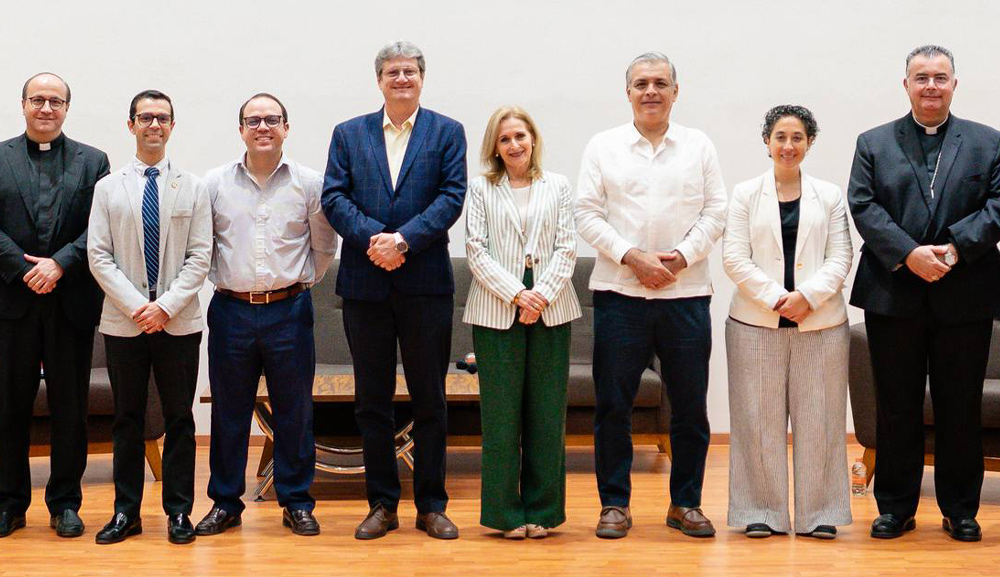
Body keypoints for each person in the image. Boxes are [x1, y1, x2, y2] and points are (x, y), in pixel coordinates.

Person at [848, 44, 1000, 542]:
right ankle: (895, 506)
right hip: (894, 292)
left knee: (960, 406)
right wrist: (910, 253)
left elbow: (997, 206)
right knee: (896, 405)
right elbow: (864, 207)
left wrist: (953, 251)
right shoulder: (873, 142)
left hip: (966, 294)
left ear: (955, 83)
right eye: (921, 77)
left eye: (940, 77)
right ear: (905, 84)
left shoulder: (987, 142)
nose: (930, 85)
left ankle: (960, 509)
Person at [575, 52, 727, 539]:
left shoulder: (698, 146)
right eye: (641, 83)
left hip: (686, 296)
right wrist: (632, 256)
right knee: (613, 406)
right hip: (620, 294)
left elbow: (717, 211)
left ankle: (685, 503)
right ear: (628, 92)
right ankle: (614, 505)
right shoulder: (603, 146)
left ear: (675, 91)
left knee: (689, 406)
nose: (651, 92)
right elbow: (586, 214)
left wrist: (680, 257)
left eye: (660, 83)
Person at [323, 40, 467, 540]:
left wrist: (403, 241)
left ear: (422, 78)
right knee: (372, 401)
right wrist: (374, 241)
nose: (401, 79)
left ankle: (432, 505)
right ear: (378, 80)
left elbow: (452, 197)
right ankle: (382, 504)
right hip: (365, 285)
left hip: (425, 285)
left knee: (430, 399)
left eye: (409, 71)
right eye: (392, 72)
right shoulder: (348, 133)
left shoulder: (448, 132)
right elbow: (333, 197)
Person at [196, 93, 337, 537]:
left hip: (289, 311)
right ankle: (225, 502)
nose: (263, 127)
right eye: (253, 120)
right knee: (229, 411)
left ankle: (295, 500)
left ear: (286, 128)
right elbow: (204, 246)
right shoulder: (214, 183)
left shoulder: (309, 182)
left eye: (271, 120)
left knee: (294, 411)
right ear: (240, 129)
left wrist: (299, 285)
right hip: (231, 311)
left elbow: (323, 245)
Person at [723, 105, 853, 540]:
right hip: (754, 323)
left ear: (810, 143)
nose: (788, 145)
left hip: (822, 324)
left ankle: (821, 512)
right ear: (767, 142)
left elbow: (841, 257)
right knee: (756, 420)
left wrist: (808, 298)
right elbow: (734, 258)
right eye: (780, 137)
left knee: (821, 419)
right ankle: (761, 510)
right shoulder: (744, 194)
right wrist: (779, 299)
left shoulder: (830, 196)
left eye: (797, 137)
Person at [88, 90, 212, 544]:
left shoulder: (193, 187)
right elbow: (98, 255)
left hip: (178, 322)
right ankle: (126, 512)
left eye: (162, 118)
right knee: (127, 418)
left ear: (172, 126)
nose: (154, 125)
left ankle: (179, 512)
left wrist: (164, 307)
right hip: (124, 323)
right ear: (131, 125)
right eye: (145, 117)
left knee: (180, 418)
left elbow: (200, 257)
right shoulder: (108, 187)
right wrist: (138, 307)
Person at [0, 73, 110, 539]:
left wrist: (60, 263)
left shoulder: (93, 161)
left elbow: (102, 226)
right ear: (23, 104)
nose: (47, 108)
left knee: (70, 408)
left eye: (56, 101)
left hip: (71, 301)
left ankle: (65, 502)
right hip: (12, 301)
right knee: (8, 407)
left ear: (67, 108)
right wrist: (24, 268)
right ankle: (9, 502)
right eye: (38, 100)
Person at [464, 106, 581, 539]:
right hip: (497, 307)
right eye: (504, 138)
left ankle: (543, 511)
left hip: (552, 306)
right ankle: (505, 513)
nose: (514, 144)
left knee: (547, 415)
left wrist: (540, 296)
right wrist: (517, 293)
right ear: (495, 146)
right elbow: (476, 250)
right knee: (500, 417)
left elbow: (567, 247)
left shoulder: (559, 186)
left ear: (533, 139)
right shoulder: (481, 188)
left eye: (520, 136)